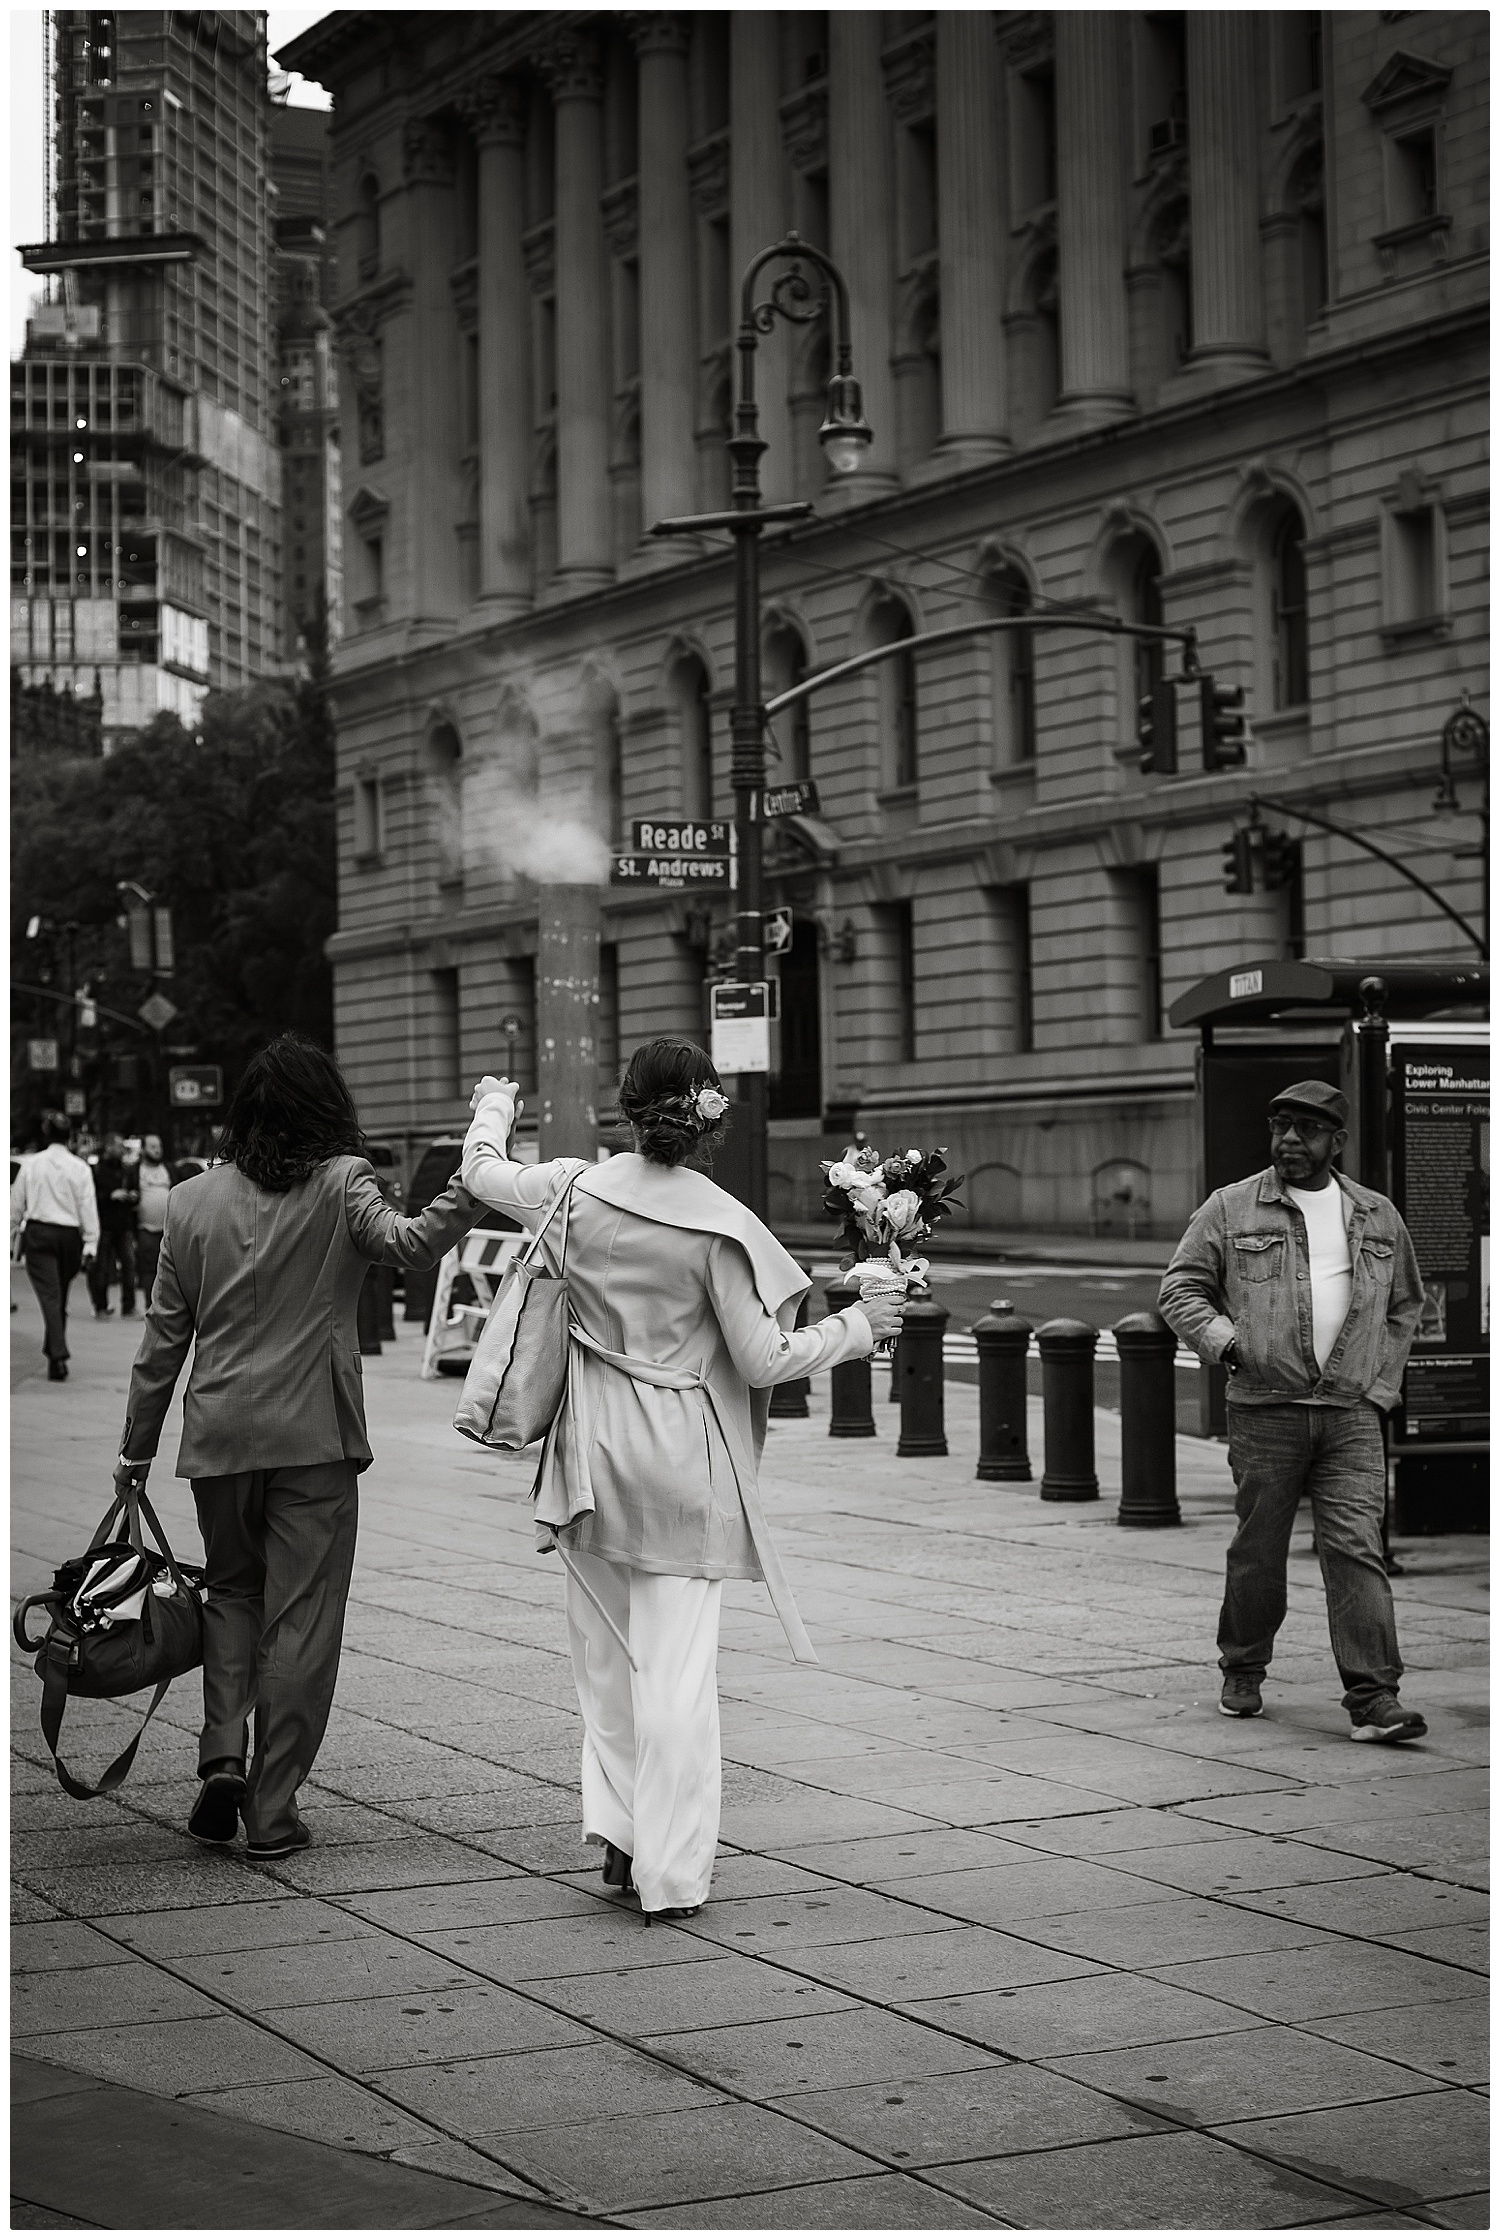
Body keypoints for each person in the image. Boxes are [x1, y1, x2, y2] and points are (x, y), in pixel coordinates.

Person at [460, 1037, 902, 1922]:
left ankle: (621, 1837)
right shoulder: (721, 1226)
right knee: (676, 1677)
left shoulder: (572, 1189)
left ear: (627, 1109)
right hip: (682, 1464)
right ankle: (671, 1871)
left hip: (585, 1457)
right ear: (708, 1118)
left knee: (606, 1666)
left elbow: (482, 1173)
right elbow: (767, 1358)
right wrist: (860, 1325)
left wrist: (496, 1104)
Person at [112, 1033, 486, 1859]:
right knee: (304, 1621)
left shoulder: (190, 1201)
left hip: (218, 1439)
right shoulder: (341, 1183)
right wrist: (478, 1167)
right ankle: (272, 1813)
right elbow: (414, 1245)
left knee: (232, 1598)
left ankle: (220, 1756)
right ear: (329, 1110)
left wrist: (135, 1450)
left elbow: (163, 1342)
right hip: (312, 1439)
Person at [1159, 1078, 1428, 1744]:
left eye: (1306, 1130)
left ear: (1337, 1141)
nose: (1289, 1140)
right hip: (1265, 1410)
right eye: (1280, 1126)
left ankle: (1374, 1698)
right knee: (1258, 1551)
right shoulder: (1230, 1208)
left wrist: (1380, 1388)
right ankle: (1243, 1668)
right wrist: (1230, 1347)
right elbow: (1180, 1289)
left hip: (1350, 1414)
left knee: (1356, 1551)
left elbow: (1405, 1307)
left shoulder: (1376, 1215)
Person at [10, 1113, 100, 1382]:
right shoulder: (79, 1168)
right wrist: (91, 1243)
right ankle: (54, 1355)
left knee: (51, 1296)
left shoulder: (32, 1165)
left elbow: (16, 1205)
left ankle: (58, 1354)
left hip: (39, 1233)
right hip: (69, 1237)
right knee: (58, 1295)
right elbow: (87, 1206)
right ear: (69, 1136)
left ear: (46, 1134)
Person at [87, 1132, 139, 1318]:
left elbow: (135, 1189)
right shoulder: (97, 1170)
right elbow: (91, 1197)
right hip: (104, 1224)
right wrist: (110, 1195)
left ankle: (129, 1306)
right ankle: (100, 1305)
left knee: (129, 1266)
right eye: (118, 1146)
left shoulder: (126, 1170)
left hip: (123, 1224)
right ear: (108, 1147)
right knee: (101, 1268)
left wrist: (132, 1196)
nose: (121, 1150)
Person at [135, 1132, 175, 1301]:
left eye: (159, 1146)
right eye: (152, 1147)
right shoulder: (135, 1171)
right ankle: (150, 1304)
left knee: (170, 1270)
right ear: (143, 1149)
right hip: (145, 1228)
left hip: (169, 1230)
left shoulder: (169, 1169)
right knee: (149, 1268)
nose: (157, 1150)